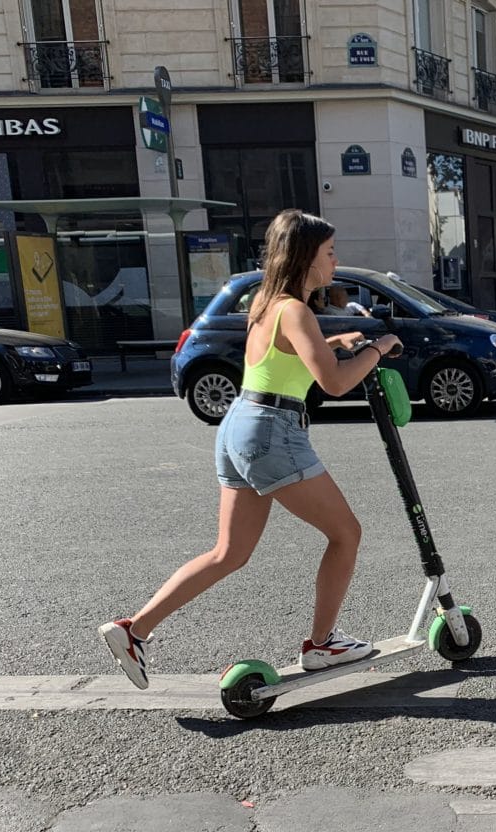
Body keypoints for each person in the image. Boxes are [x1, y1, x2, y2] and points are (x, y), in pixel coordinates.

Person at [98, 209, 400, 690]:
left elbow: (293, 353)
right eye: (329, 252)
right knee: (346, 534)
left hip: (239, 425)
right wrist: (378, 349)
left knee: (228, 552)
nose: (335, 260)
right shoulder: (295, 309)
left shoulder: (268, 302)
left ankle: (133, 628)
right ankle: (322, 643)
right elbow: (337, 382)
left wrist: (340, 338)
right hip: (272, 432)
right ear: (307, 258)